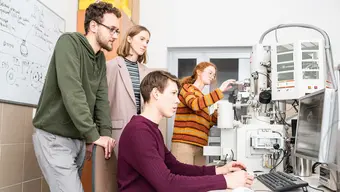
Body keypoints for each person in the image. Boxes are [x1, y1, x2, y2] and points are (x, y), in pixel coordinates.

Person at [31, 2, 121, 192]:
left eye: (117, 31)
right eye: (112, 29)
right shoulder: (69, 42)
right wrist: (93, 134)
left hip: (78, 140)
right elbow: (73, 91)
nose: (115, 35)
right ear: (94, 26)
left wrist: (104, 135)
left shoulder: (100, 59)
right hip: (54, 138)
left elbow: (101, 100)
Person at [117, 70, 254, 191]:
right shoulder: (139, 132)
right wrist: (226, 181)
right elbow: (167, 184)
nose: (177, 101)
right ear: (156, 94)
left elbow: (176, 167)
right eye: (173, 93)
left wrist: (221, 171)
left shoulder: (151, 130)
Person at [171, 61, 236, 165]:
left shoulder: (202, 97)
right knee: (184, 180)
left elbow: (206, 124)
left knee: (199, 180)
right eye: (210, 73)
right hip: (184, 144)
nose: (212, 76)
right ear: (199, 72)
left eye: (214, 75)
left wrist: (216, 114)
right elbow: (195, 104)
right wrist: (220, 91)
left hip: (200, 146)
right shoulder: (187, 88)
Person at [106, 25, 151, 155]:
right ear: (129, 39)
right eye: (142, 39)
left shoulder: (146, 71)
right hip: (118, 130)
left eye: (147, 41)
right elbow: (103, 102)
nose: (145, 44)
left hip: (141, 131)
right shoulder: (111, 66)